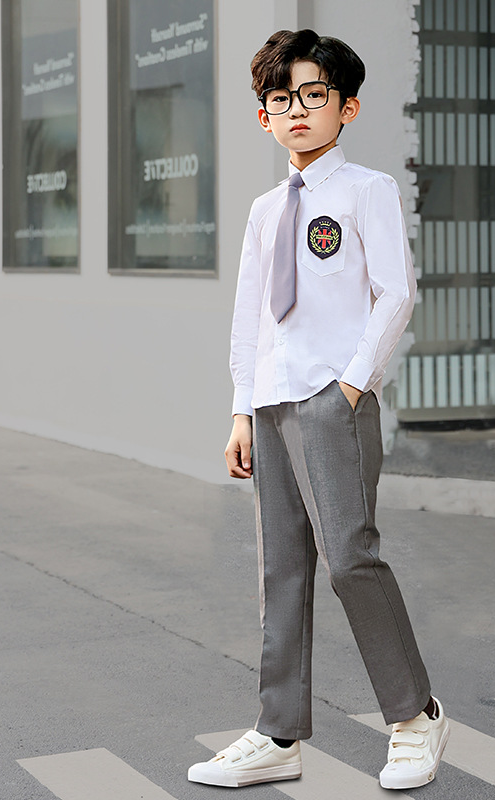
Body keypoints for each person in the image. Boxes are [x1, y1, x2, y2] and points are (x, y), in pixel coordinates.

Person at [187, 29, 449, 791]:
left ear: (347, 106)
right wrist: (242, 410)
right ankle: (278, 735)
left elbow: (395, 293)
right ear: (262, 117)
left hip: (333, 401)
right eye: (280, 99)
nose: (296, 110)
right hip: (270, 405)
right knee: (282, 572)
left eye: (313, 95)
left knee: (349, 560)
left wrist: (351, 387)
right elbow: (251, 319)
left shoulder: (366, 190)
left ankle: (414, 716)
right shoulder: (267, 208)